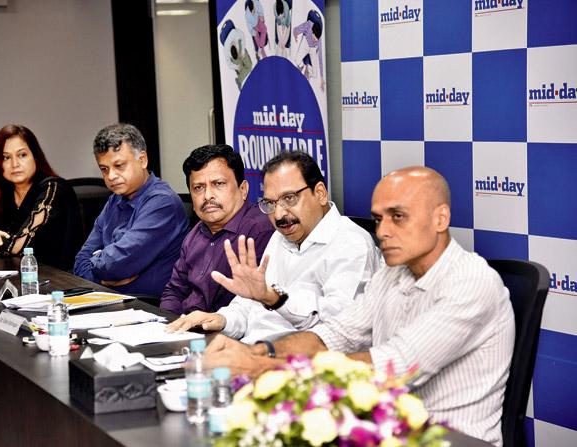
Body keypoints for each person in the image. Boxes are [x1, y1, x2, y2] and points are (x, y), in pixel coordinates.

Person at [205, 166, 515, 447]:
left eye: (399, 217)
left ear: (440, 219)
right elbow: (333, 335)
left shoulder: (472, 282)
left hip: (448, 439)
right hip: (383, 430)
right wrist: (258, 352)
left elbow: (394, 365)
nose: (382, 231)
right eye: (379, 219)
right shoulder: (392, 274)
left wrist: (264, 368)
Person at [166, 151, 380, 343]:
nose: (279, 215)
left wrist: (274, 298)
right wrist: (221, 319)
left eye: (289, 198)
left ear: (320, 193)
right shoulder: (280, 237)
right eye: (271, 203)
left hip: (295, 363)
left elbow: (337, 326)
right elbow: (249, 306)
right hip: (250, 349)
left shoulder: (350, 243)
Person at [0, 125, 84, 270]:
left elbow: (21, 245)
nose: (15, 164)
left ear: (35, 157)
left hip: (60, 281)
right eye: (6, 157)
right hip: (14, 277)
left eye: (22, 155)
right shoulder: (2, 194)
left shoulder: (53, 188)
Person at [74, 123, 189, 296]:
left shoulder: (162, 202)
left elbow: (116, 265)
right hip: (110, 300)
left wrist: (101, 260)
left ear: (142, 160)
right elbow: (80, 262)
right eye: (104, 169)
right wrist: (102, 276)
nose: (111, 176)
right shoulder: (115, 199)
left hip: (149, 307)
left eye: (119, 165)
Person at [160, 145, 274, 315]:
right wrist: (167, 326)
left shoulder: (260, 231)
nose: (207, 196)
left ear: (243, 189)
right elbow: (175, 292)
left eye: (218, 184)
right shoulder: (195, 233)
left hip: (230, 333)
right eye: (198, 187)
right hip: (186, 331)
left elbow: (254, 308)